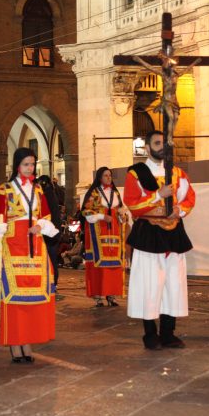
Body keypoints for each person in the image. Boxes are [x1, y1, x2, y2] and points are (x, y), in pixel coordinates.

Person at [123, 131, 195, 350]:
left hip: (174, 234)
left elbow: (190, 197)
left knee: (173, 284)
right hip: (148, 234)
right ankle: (150, 334)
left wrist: (180, 211)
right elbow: (133, 204)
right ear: (147, 148)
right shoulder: (136, 174)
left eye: (164, 142)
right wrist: (158, 196)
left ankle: (168, 333)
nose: (161, 146)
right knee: (149, 285)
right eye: (156, 143)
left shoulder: (177, 173)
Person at [0, 147, 58, 363]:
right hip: (11, 246)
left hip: (35, 248)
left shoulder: (38, 190)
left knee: (32, 299)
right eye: (26, 164)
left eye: (32, 164)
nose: (30, 168)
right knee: (13, 298)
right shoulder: (5, 190)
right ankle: (15, 344)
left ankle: (27, 342)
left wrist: (40, 226)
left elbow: (46, 215)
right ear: (17, 166)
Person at [81, 167, 127, 308]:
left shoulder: (115, 193)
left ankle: (111, 295)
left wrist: (121, 214)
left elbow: (121, 209)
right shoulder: (94, 193)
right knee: (98, 267)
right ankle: (99, 297)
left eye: (110, 175)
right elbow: (86, 212)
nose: (108, 178)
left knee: (114, 266)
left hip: (114, 233)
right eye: (105, 175)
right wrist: (101, 216)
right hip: (97, 234)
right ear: (100, 178)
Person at [37, 175, 62, 288]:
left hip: (48, 232)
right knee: (52, 258)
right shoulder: (52, 194)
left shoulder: (47, 195)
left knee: (50, 258)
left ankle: (51, 282)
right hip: (52, 231)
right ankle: (52, 282)